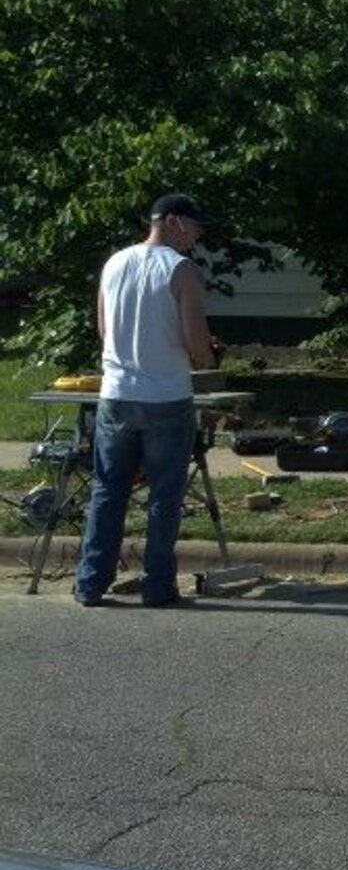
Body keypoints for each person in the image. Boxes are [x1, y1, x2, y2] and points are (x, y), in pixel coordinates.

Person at [74, 193, 222, 608]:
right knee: (164, 496)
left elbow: (105, 329)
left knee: (108, 491)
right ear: (173, 221)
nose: (197, 235)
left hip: (117, 394)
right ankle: (157, 585)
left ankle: (91, 583)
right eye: (194, 227)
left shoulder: (115, 263)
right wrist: (208, 354)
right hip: (166, 396)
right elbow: (196, 344)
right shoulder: (182, 271)